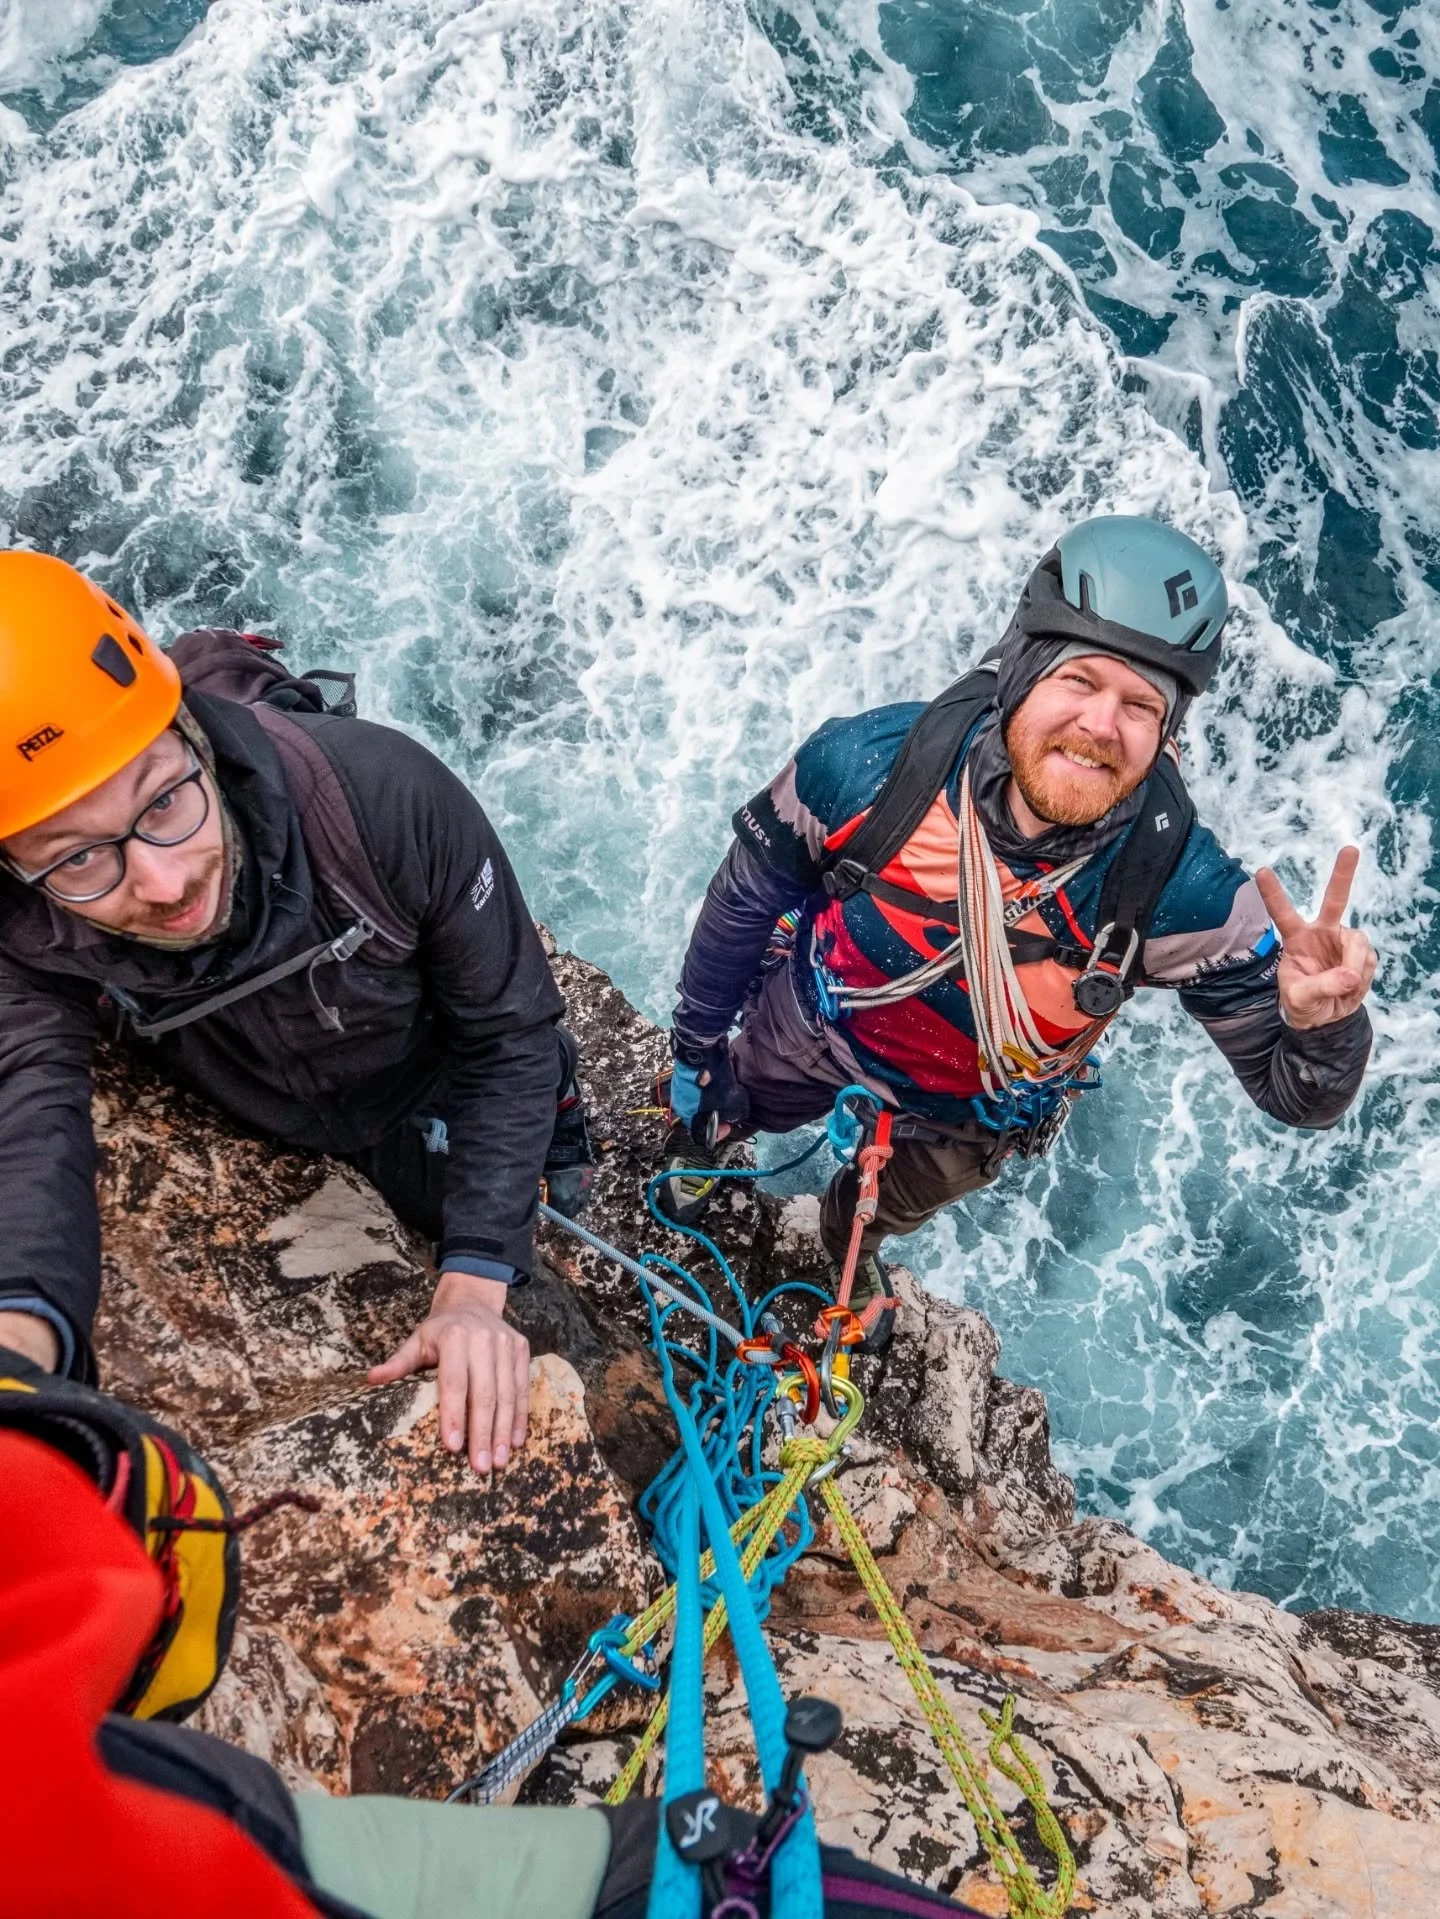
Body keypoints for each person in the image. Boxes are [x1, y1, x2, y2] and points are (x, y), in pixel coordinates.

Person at [664, 516, 1377, 1347]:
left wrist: (1326, 1025)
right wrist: (695, 1048)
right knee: (729, 1100)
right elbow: (744, 903)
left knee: (885, 1204)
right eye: (1080, 680)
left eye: (1141, 704)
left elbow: (1298, 1094)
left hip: (972, 1112)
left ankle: (848, 1242)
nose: (1103, 723)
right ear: (1024, 672)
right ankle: (709, 1138)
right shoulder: (867, 767)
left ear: (1166, 731)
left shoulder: (1178, 887)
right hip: (818, 1020)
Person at [0, 1357, 993, 1919]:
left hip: (177, 1832)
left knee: (676, 1865)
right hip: (183, 1831)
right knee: (695, 1870)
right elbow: (143, 1513)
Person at [0, 550, 593, 1476]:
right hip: (303, 1125)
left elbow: (509, 1035)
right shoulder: (25, 927)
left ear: (193, 734)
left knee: (530, 1146)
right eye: (78, 858)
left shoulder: (385, 798)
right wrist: (22, 1358)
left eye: (164, 800)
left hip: (432, 1071)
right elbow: (29, 1115)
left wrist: (476, 1284)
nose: (162, 883)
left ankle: (566, 1169)